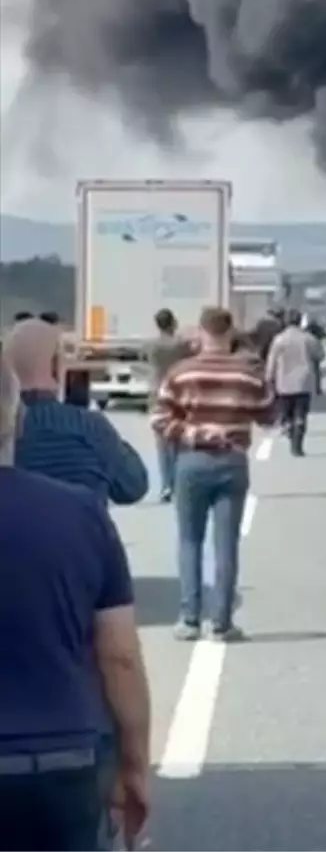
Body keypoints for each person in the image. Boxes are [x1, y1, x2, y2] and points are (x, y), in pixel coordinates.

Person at [0, 357, 152, 852]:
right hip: (57, 759)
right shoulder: (79, 512)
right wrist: (133, 765)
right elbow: (120, 657)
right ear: (16, 420)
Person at [151, 305, 273, 643]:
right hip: (233, 462)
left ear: (201, 332)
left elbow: (160, 419)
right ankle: (222, 623)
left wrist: (193, 433)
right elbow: (268, 414)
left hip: (192, 462)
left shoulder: (181, 371)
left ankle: (190, 619)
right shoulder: (247, 373)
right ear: (230, 333)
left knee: (190, 540)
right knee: (226, 543)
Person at [6, 318, 149, 507]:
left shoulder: (7, 430)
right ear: (55, 366)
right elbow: (134, 487)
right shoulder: (90, 427)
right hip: (80, 534)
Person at [147, 309, 192, 503]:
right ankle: (180, 483)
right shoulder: (181, 345)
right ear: (173, 323)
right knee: (181, 442)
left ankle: (166, 485)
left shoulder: (151, 346)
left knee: (162, 443)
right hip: (180, 392)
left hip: (158, 393)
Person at [266, 310, 321, 457]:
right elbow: (320, 355)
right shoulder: (308, 338)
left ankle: (288, 428)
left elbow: (271, 362)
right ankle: (298, 446)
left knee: (286, 412)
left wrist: (269, 378)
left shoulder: (279, 339)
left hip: (283, 382)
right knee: (301, 414)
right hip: (304, 382)